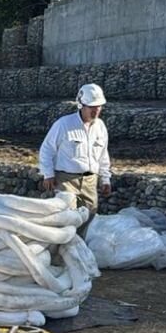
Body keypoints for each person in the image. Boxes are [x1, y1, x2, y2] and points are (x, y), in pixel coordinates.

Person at [38, 83, 112, 239]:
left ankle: (77, 249)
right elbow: (47, 149)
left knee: (89, 214)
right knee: (66, 217)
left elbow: (103, 155)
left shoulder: (100, 127)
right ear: (81, 105)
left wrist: (105, 179)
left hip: (90, 181)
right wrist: (48, 174)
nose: (96, 110)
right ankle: (58, 250)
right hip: (66, 180)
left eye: (99, 106)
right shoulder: (64, 124)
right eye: (92, 106)